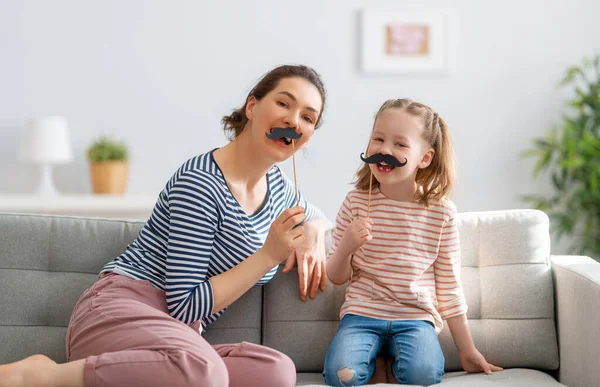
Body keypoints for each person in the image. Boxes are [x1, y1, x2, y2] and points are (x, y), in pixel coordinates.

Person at [0, 64, 331, 387]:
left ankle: (188, 370)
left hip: (176, 339)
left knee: (276, 371)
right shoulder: (201, 182)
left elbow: (319, 214)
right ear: (253, 105)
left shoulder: (280, 188)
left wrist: (315, 229)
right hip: (119, 313)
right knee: (204, 373)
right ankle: (40, 375)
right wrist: (268, 255)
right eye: (284, 103)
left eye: (307, 117)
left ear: (308, 135)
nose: (293, 120)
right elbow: (184, 306)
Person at [323, 98, 502, 386]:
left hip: (415, 319)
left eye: (400, 144)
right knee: (342, 376)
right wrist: (346, 247)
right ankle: (380, 364)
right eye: (378, 139)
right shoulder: (356, 202)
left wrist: (467, 350)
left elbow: (449, 286)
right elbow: (335, 275)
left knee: (424, 374)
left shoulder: (441, 213)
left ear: (425, 158)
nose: (384, 150)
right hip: (362, 313)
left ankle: (386, 365)